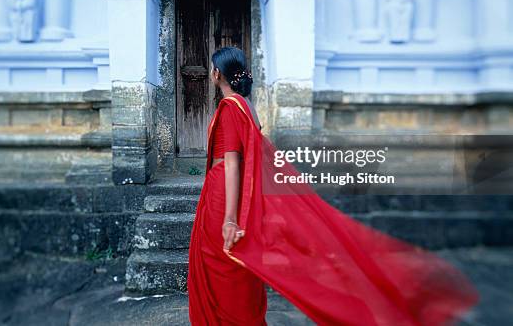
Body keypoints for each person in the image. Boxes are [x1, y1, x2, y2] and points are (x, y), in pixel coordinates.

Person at [187, 46, 479, 326]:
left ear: (216, 74)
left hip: (222, 195)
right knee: (237, 267)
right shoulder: (247, 107)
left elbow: (234, 162)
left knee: (221, 265)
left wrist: (228, 218)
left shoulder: (229, 107)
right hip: (231, 192)